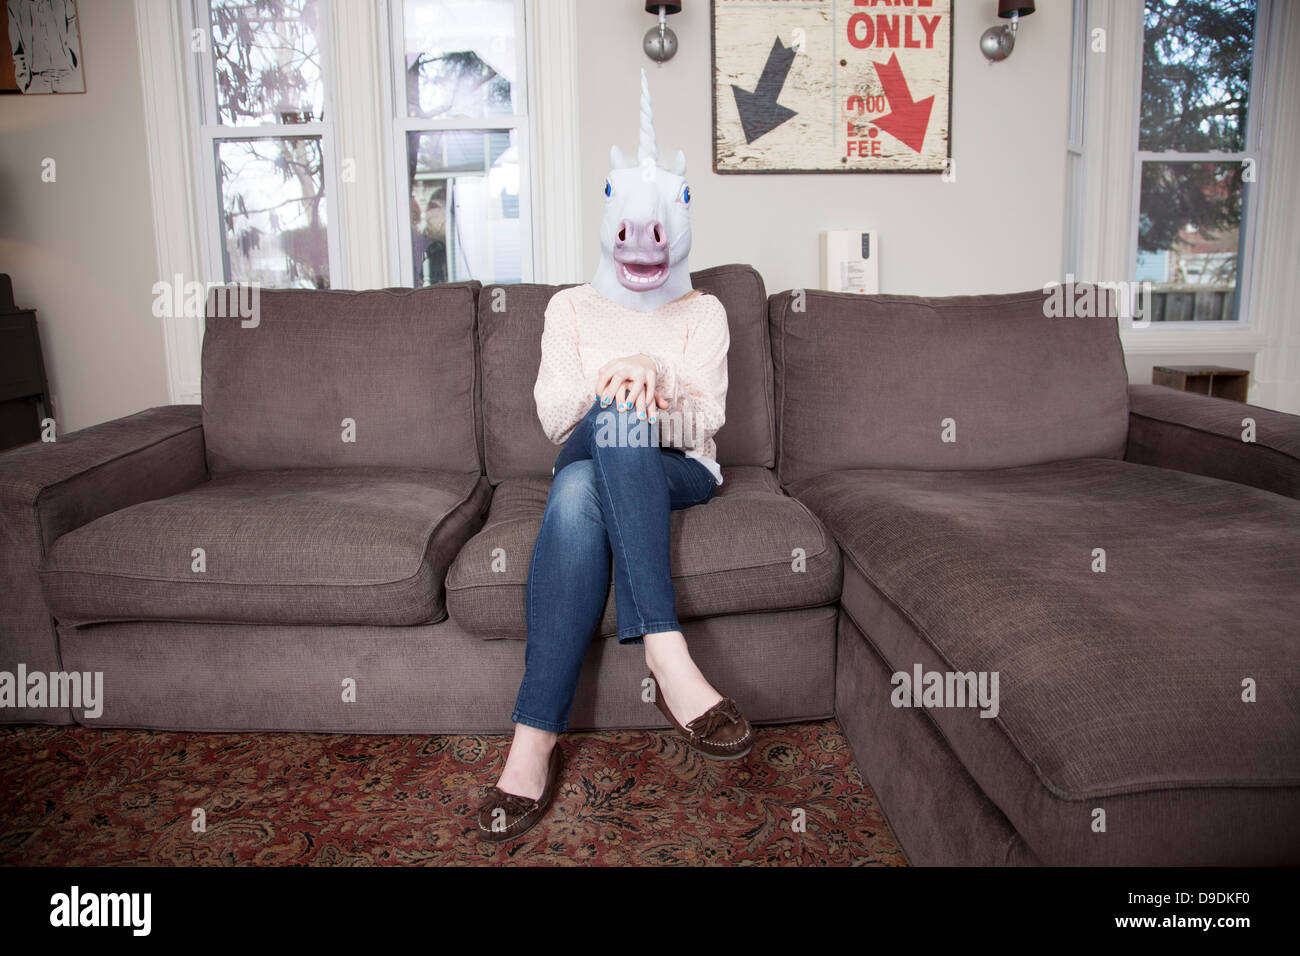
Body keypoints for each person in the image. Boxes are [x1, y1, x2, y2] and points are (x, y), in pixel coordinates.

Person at [476, 72, 753, 844]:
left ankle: (532, 744)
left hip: (680, 468)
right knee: (585, 473)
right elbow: (556, 418)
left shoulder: (707, 312)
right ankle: (668, 655)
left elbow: (707, 420)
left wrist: (654, 375)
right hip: (590, 454)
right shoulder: (568, 307)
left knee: (591, 475)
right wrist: (617, 377)